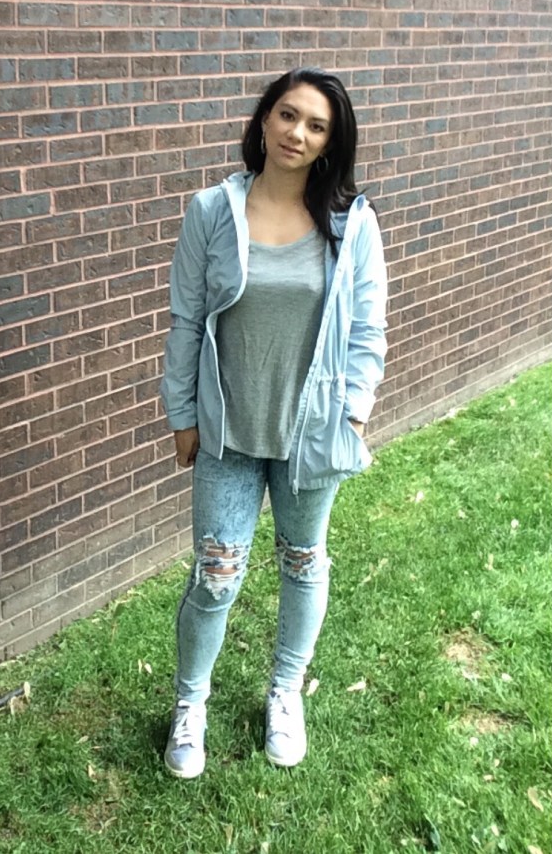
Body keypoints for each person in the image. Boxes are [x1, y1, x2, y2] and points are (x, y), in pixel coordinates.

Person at [159, 68, 387, 778]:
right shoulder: (211, 210)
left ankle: (286, 692)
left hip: (311, 434)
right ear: (264, 120)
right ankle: (190, 705)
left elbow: (368, 331)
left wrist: (354, 411)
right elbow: (186, 319)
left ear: (330, 143)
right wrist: (182, 412)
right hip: (228, 431)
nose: (298, 133)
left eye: (317, 126)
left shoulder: (352, 224)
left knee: (303, 562)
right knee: (216, 576)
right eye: (288, 115)